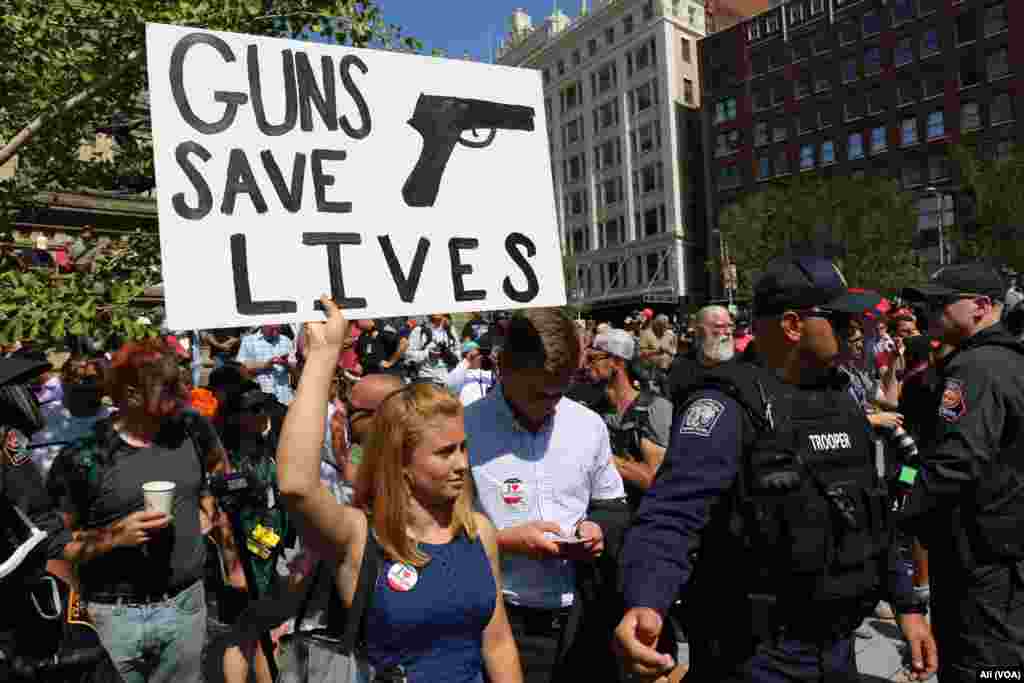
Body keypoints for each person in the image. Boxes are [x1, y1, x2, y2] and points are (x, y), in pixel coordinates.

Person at [616, 256, 937, 683]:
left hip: (837, 650)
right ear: (792, 325)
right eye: (840, 321)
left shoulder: (842, 400)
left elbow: (872, 514)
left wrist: (907, 607)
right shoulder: (727, 406)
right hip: (756, 656)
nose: (854, 332)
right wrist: (646, 601)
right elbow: (671, 515)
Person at [276, 296, 522, 683]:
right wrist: (323, 357)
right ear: (401, 461)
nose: (462, 463)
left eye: (463, 448)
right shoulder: (360, 538)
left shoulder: (479, 532)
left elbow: (498, 644)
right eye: (445, 452)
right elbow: (296, 485)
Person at [50, 339, 229, 683]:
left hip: (185, 608)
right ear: (131, 395)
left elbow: (219, 471)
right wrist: (115, 537)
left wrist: (208, 506)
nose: (184, 393)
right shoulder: (84, 457)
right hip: (111, 618)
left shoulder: (192, 430)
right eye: (170, 387)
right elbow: (56, 546)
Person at [465, 308, 629, 683]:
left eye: (560, 392)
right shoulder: (464, 429)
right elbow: (435, 532)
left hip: (582, 622)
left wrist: (596, 529)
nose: (551, 404)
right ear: (504, 369)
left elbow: (613, 505)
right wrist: (503, 542)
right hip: (501, 624)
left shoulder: (587, 425)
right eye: (539, 393)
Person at [902, 263, 1024, 680]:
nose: (930, 312)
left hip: (981, 557)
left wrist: (902, 510)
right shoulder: (1005, 360)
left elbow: (955, 461)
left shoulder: (976, 368)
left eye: (941, 303)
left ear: (981, 306)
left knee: (981, 667)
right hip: (999, 552)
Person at [588, 328, 672, 512]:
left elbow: (653, 479)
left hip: (642, 516)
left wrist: (596, 456)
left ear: (617, 362)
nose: (587, 365)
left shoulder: (654, 409)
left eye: (593, 358)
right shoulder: (592, 411)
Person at [664, 305, 736, 407]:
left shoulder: (744, 366)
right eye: (719, 326)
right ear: (698, 331)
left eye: (730, 326)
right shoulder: (680, 367)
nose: (728, 332)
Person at [236, 325, 295, 406]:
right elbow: (241, 370)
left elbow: (294, 369)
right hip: (261, 400)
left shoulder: (285, 340)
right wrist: (265, 365)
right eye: (272, 328)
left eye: (278, 327)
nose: (275, 332)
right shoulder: (248, 341)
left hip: (285, 398)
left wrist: (286, 364)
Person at [404, 313, 461, 382]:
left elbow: (458, 352)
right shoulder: (420, 330)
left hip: (447, 378)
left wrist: (449, 354)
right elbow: (408, 355)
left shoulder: (450, 330)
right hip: (426, 377)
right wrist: (427, 354)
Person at [447, 340, 496, 406]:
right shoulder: (460, 372)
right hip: (468, 409)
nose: (481, 357)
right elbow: (450, 387)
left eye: (481, 355)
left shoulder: (487, 372)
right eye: (478, 355)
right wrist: (468, 360)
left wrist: (495, 364)